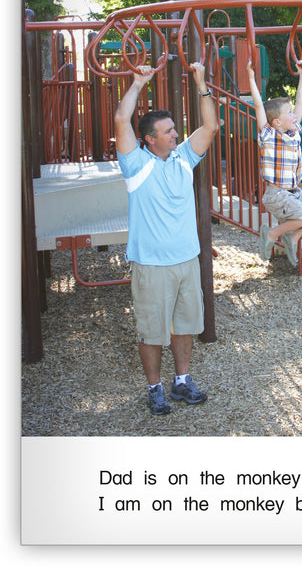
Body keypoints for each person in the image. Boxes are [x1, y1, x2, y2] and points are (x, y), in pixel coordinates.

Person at [114, 63, 219, 415]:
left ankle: (182, 381)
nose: (176, 134)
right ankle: (154, 388)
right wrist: (137, 84)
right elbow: (121, 119)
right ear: (150, 139)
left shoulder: (183, 158)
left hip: (187, 261)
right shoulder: (136, 165)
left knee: (184, 325)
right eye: (169, 131)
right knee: (151, 332)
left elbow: (211, 126)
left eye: (175, 129)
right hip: (151, 265)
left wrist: (201, 83)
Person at [247, 61, 302, 266]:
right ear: (277, 122)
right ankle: (271, 233)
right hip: (276, 194)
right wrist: (250, 77)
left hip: (294, 192)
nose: (294, 115)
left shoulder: (293, 133)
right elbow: (258, 106)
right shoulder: (269, 136)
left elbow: (300, 103)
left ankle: (292, 238)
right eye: (289, 113)